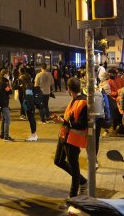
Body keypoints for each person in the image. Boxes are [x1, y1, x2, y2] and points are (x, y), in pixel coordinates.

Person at [52, 77, 88, 208]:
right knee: (58, 161)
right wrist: (61, 119)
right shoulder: (74, 100)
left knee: (74, 166)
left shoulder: (83, 102)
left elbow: (81, 124)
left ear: (69, 89)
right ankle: (82, 181)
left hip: (73, 139)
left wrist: (63, 121)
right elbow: (70, 117)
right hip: (64, 135)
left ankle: (72, 197)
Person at [0, 69, 13, 141]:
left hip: (2, 102)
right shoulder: (3, 83)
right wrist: (9, 84)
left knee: (3, 119)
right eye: (7, 74)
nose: (8, 75)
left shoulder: (0, 82)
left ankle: (2, 134)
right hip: (4, 103)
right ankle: (6, 136)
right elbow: (10, 91)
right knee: (7, 120)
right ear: (4, 75)